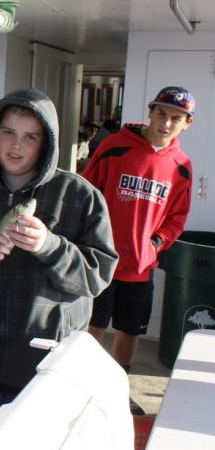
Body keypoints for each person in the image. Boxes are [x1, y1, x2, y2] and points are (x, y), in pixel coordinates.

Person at [0, 88, 118, 444]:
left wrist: (50, 246)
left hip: (48, 370)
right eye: (8, 132)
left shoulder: (81, 196)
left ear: (46, 144)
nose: (16, 145)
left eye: (30, 137)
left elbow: (97, 276)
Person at [84, 86, 195, 414]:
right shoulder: (114, 146)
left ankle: (117, 392)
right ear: (150, 112)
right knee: (93, 328)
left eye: (176, 118)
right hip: (101, 261)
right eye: (161, 113)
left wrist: (155, 244)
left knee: (129, 330)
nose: (166, 123)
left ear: (187, 124)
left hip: (140, 266)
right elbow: (86, 192)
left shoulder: (182, 166)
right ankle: (87, 389)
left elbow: (177, 217)